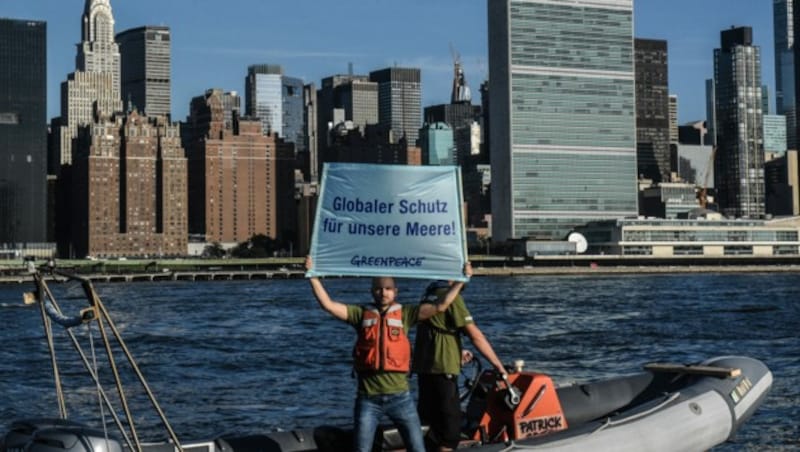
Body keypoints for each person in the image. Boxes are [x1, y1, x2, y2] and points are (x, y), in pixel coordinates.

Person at [306, 256, 472, 452]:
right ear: (372, 292)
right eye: (378, 288)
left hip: (401, 398)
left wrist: (462, 280)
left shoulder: (405, 314)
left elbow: (440, 305)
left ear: (395, 292)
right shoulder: (360, 314)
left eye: (387, 289)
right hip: (368, 398)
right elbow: (328, 305)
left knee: (417, 448)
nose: (383, 292)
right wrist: (312, 276)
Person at [413, 280, 508, 452]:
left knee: (430, 425)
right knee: (450, 432)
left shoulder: (428, 294)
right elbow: (475, 335)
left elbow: (436, 329)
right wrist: (498, 366)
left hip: (424, 368)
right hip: (443, 370)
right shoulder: (451, 298)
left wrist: (456, 350)